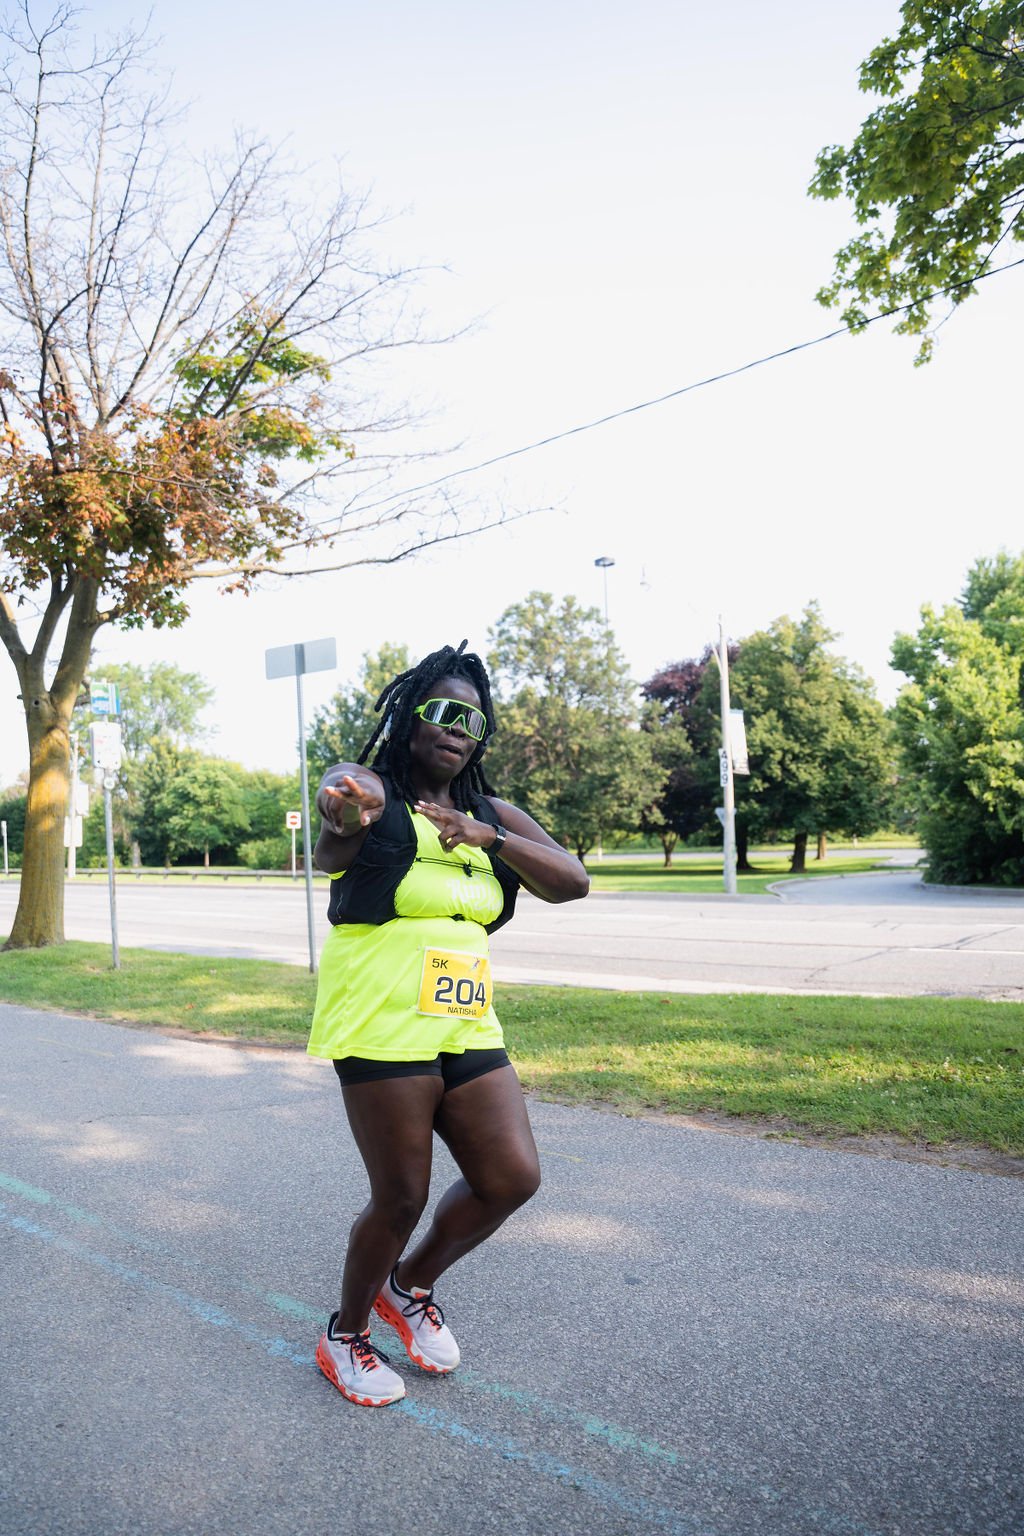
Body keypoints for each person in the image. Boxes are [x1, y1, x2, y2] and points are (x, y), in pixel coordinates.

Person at [307, 641, 589, 1407]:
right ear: (410, 719)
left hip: (465, 1019)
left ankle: (411, 1285)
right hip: (381, 1016)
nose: (457, 727)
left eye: (471, 717)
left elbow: (573, 882)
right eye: (440, 710)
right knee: (399, 1195)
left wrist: (488, 837)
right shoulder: (378, 790)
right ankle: (346, 1335)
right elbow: (336, 824)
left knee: (511, 1177)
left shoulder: (494, 814)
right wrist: (344, 804)